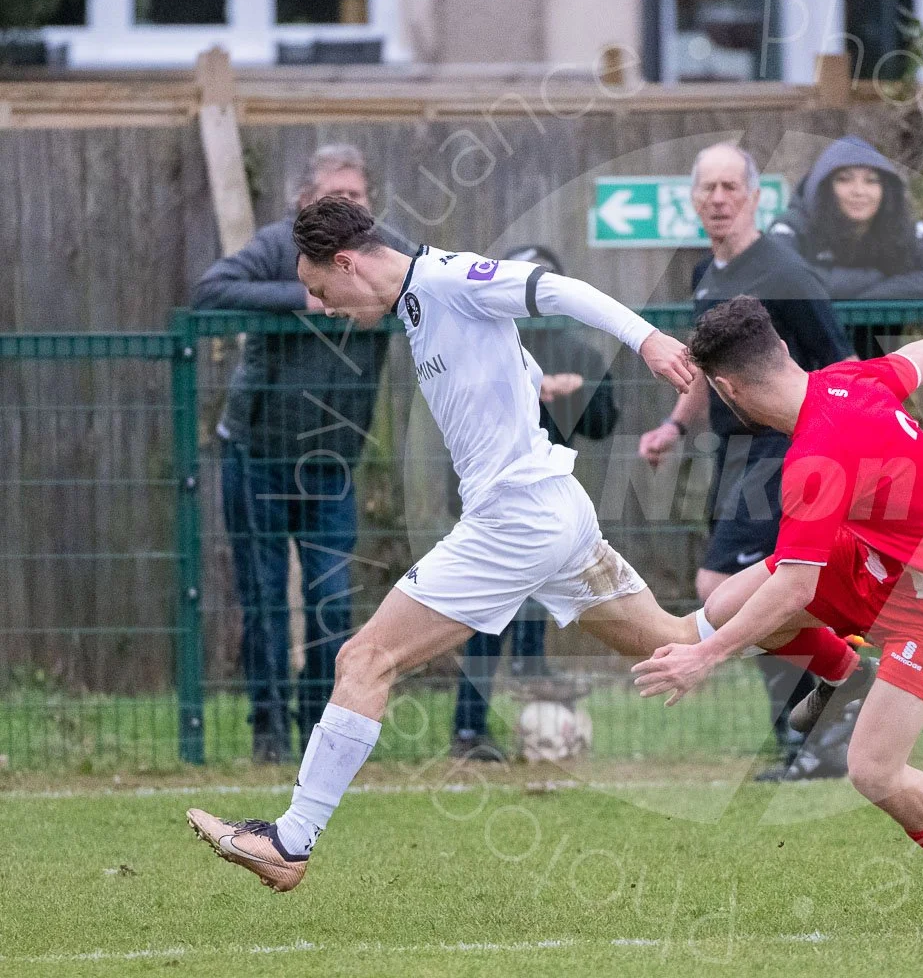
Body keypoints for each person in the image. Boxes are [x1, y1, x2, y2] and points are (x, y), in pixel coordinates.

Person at [187, 198, 859, 892]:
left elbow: (557, 290)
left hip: (517, 521)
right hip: (553, 515)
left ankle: (290, 841)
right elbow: (500, 354)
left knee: (365, 658)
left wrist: (646, 340)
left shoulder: (449, 280)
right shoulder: (418, 302)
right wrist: (532, 378)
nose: (324, 307)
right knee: (674, 635)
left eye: (324, 291)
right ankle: (823, 602)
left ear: (349, 263)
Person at [631, 298, 923, 932]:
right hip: (874, 563)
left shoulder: (815, 458)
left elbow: (796, 591)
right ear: (782, 349)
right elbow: (921, 359)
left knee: (873, 770)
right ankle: (844, 675)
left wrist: (707, 655)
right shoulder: (846, 379)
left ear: (725, 389)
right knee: (727, 599)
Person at [638, 142, 856, 780]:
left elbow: (840, 364)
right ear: (694, 199)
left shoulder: (785, 274)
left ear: (756, 196)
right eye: (708, 188)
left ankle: (817, 719)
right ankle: (811, 731)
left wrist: (827, 443)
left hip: (785, 446)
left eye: (732, 186)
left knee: (722, 591)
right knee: (758, 591)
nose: (719, 198)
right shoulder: (708, 272)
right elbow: (709, 366)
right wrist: (675, 425)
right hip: (733, 451)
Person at [193, 144, 397, 764]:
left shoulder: (387, 252)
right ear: (305, 202)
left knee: (332, 600)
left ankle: (319, 732)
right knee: (262, 604)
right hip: (257, 454)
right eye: (334, 196)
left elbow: (431, 290)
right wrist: (305, 297)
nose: (348, 207)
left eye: (356, 196)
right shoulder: (279, 245)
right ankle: (269, 734)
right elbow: (212, 291)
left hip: (332, 463)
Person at [450, 245, 621, 760]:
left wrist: (576, 393)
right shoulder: (482, 346)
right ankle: (468, 730)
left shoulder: (578, 351)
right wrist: (528, 388)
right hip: (492, 499)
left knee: (555, 600)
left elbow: (603, 422)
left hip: (553, 505)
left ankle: (536, 675)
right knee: (486, 614)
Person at [769, 135, 923, 359]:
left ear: (886, 188)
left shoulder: (900, 226)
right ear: (823, 186)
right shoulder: (794, 223)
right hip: (802, 365)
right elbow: (782, 280)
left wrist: (873, 297)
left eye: (871, 180)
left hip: (876, 369)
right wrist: (873, 277)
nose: (859, 191)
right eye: (844, 179)